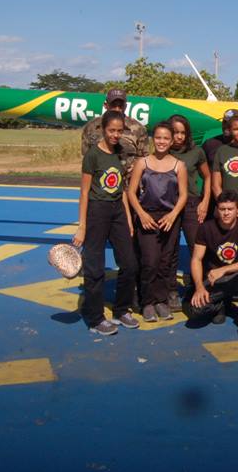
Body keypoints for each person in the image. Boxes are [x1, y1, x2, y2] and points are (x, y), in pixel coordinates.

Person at [73, 110, 140, 335]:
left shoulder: (119, 152)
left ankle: (121, 310)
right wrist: (82, 226)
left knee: (129, 264)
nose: (115, 135)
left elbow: (121, 189)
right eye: (112, 130)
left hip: (118, 211)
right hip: (97, 211)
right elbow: (83, 193)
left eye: (119, 131)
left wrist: (128, 219)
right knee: (95, 267)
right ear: (103, 129)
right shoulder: (92, 155)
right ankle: (94, 317)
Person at [128, 121, 189, 322]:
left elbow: (183, 195)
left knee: (165, 263)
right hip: (147, 218)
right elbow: (131, 192)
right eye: (159, 137)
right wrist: (142, 215)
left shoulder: (179, 165)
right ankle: (147, 302)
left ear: (172, 141)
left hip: (169, 218)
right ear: (154, 139)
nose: (162, 141)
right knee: (150, 262)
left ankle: (161, 301)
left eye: (166, 138)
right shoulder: (142, 163)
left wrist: (173, 215)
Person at [186, 190, 238, 335]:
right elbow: (196, 259)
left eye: (230, 209)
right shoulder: (206, 228)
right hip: (215, 281)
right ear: (217, 209)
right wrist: (199, 287)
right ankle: (221, 304)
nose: (226, 213)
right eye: (222, 209)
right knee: (195, 310)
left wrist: (224, 269)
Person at [169, 113, 212, 311]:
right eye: (175, 132)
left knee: (197, 248)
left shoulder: (196, 152)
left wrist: (205, 201)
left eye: (182, 133)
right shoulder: (163, 150)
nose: (179, 136)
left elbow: (208, 176)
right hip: (168, 205)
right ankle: (170, 292)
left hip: (192, 204)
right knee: (169, 250)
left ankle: (199, 288)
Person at [81, 88, 149, 178]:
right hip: (99, 185)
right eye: (113, 105)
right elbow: (86, 160)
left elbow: (144, 159)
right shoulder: (91, 127)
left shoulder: (138, 129)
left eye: (121, 106)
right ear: (106, 105)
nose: (117, 109)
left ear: (125, 106)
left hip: (128, 185)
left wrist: (135, 167)